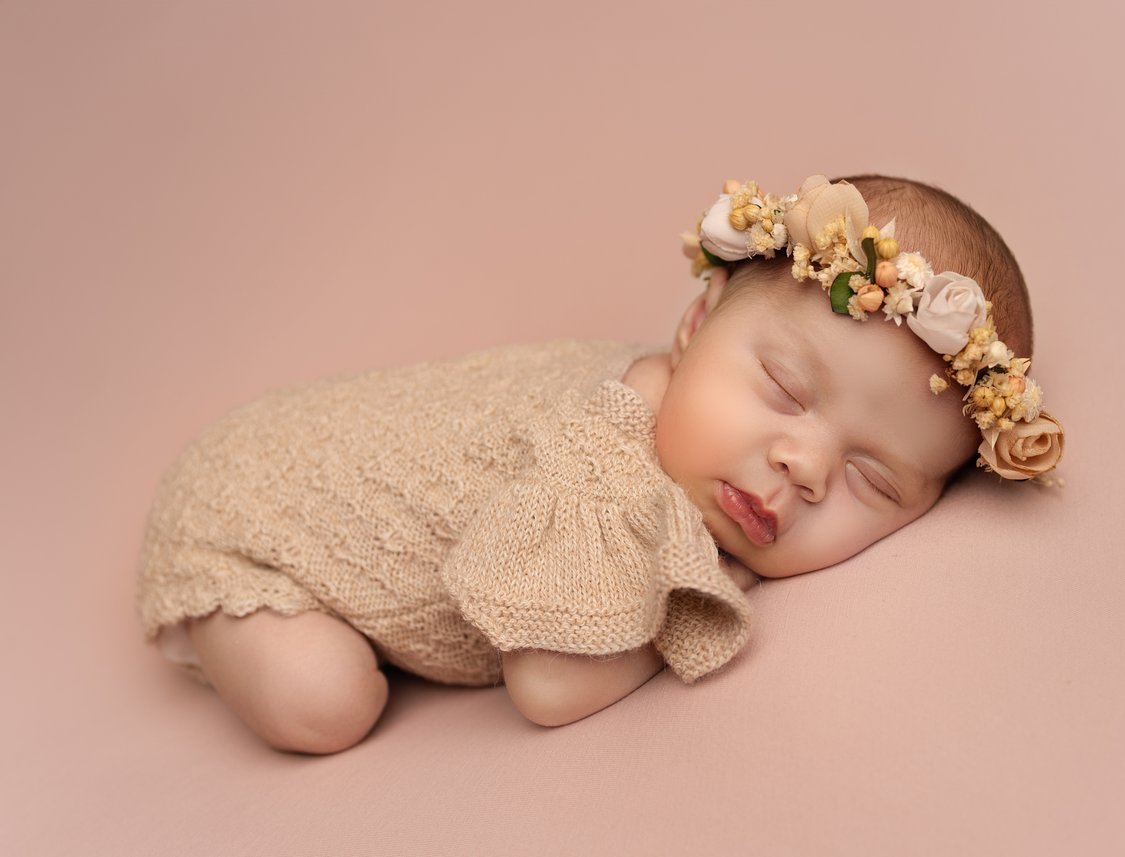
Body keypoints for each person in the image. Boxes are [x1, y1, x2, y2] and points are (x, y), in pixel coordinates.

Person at [134, 173, 1065, 755]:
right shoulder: (611, 447)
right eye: (784, 387)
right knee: (325, 703)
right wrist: (716, 579)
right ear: (696, 324)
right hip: (255, 510)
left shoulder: (694, 408)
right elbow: (547, 683)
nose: (804, 466)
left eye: (873, 480)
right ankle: (223, 610)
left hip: (312, 478)